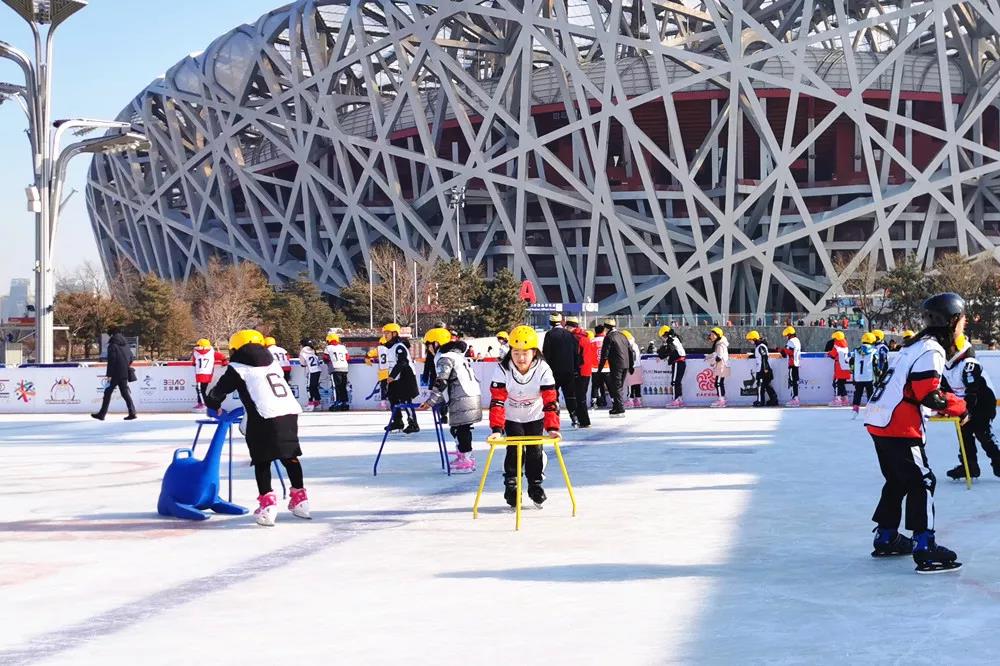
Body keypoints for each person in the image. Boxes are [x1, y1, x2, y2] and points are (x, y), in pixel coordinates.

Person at [863, 293, 967, 573]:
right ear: (952, 321)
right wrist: (959, 406)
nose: (965, 324)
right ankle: (925, 546)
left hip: (879, 419)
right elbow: (929, 395)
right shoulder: (932, 350)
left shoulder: (914, 346)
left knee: (898, 480)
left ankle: (886, 536)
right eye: (962, 319)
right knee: (923, 480)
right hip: (899, 424)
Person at [204, 329, 309, 527]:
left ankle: (267, 507)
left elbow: (219, 391)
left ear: (235, 349)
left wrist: (212, 404)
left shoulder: (238, 367)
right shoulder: (272, 363)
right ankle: (301, 501)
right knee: (290, 456)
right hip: (289, 411)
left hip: (263, 414)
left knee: (263, 460)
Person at [488, 325, 560, 508]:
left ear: (534, 352)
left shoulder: (543, 369)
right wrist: (497, 429)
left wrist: (552, 428)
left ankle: (535, 485)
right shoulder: (502, 369)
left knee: (535, 451)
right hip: (512, 415)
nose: (520, 358)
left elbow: (550, 401)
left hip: (535, 414)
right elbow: (497, 401)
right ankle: (511, 485)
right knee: (513, 450)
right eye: (516, 353)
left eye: (525, 353)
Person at [420, 327, 482, 473]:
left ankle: (466, 460)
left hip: (463, 397)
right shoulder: (456, 355)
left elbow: (442, 382)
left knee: (460, 429)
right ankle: (464, 455)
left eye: (428, 345)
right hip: (469, 395)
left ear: (436, 343)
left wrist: (430, 401)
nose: (428, 349)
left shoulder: (444, 358)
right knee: (460, 428)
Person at [943, 335, 1000, 480]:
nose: (948, 352)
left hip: (983, 402)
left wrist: (966, 410)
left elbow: (972, 390)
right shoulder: (946, 367)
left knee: (982, 432)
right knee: (964, 434)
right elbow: (945, 389)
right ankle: (969, 466)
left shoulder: (969, 364)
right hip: (965, 404)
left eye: (950, 348)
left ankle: (998, 462)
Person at [542, 313, 582, 426]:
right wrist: (575, 369)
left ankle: (556, 415)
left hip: (553, 371)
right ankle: (574, 417)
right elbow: (576, 353)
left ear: (551, 322)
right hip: (569, 370)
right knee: (570, 395)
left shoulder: (549, 335)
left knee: (553, 395)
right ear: (561, 322)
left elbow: (546, 354)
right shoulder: (569, 335)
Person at [91, 326, 137, 421]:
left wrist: (109, 375)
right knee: (125, 393)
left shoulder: (112, 345)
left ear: (111, 334)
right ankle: (132, 412)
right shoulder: (126, 344)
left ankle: (102, 414)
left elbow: (112, 361)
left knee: (107, 393)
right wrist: (125, 366)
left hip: (115, 373)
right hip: (124, 372)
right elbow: (131, 358)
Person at [384, 323, 419, 434]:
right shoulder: (389, 347)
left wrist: (392, 376)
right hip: (395, 377)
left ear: (394, 334)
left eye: (387, 333)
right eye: (384, 333)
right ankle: (397, 421)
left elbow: (402, 362)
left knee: (406, 400)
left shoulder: (399, 346)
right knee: (392, 398)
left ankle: (413, 423)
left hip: (406, 376)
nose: (385, 335)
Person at [597, 318, 634, 417]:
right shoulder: (622, 335)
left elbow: (604, 354)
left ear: (606, 328)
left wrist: (600, 369)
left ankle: (620, 408)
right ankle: (617, 407)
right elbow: (630, 351)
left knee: (616, 387)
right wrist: (631, 365)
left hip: (616, 364)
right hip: (625, 364)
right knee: (618, 386)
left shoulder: (609, 337)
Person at [566, 316, 593, 428]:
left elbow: (576, 356)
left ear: (570, 327)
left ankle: (584, 421)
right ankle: (582, 419)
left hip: (580, 370)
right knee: (581, 396)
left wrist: (575, 369)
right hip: (587, 370)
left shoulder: (575, 338)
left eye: (567, 327)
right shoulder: (585, 337)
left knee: (579, 397)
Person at [191, 338, 227, 410]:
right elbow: (222, 357)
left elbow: (194, 363)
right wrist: (224, 362)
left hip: (200, 373)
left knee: (200, 390)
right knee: (202, 389)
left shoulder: (195, 353)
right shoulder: (212, 353)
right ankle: (202, 403)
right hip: (208, 373)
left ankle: (203, 404)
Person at [746, 331, 777, 406]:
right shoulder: (759, 346)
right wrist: (752, 356)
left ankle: (760, 401)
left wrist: (765, 369)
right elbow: (759, 356)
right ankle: (773, 400)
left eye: (750, 339)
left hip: (763, 369)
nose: (750, 341)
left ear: (754, 339)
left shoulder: (761, 346)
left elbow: (764, 357)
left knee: (760, 385)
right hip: (763, 368)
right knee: (766, 385)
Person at [657, 325, 686, 407]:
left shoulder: (670, 339)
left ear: (664, 335)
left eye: (662, 337)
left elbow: (670, 349)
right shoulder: (675, 338)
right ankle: (679, 399)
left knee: (674, 382)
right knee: (677, 381)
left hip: (677, 362)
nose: (662, 339)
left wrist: (661, 356)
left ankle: (675, 399)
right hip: (681, 362)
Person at [849, 332, 877, 415]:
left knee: (858, 392)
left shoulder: (856, 350)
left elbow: (850, 360)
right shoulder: (874, 351)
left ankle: (855, 409)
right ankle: (871, 410)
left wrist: (852, 370)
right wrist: (878, 373)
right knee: (870, 393)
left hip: (858, 376)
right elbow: (876, 363)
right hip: (869, 376)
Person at [323, 332, 350, 411]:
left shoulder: (328, 348)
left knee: (336, 386)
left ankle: (337, 402)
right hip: (344, 368)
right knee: (343, 386)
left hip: (335, 368)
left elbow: (325, 358)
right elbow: (347, 357)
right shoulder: (343, 347)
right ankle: (344, 403)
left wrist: (329, 362)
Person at [706, 327, 730, 408]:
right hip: (721, 365)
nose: (711, 336)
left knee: (718, 383)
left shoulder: (720, 344)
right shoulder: (718, 343)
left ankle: (721, 400)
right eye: (711, 335)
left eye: (713, 335)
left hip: (721, 365)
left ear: (718, 335)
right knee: (718, 383)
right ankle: (721, 398)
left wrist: (711, 361)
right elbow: (716, 355)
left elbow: (719, 357)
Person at [827, 331, 852, 406]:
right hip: (845, 366)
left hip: (839, 366)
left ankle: (838, 399)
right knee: (841, 383)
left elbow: (833, 354)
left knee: (837, 383)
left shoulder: (837, 344)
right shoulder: (845, 344)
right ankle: (845, 399)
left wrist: (828, 353)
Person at [299, 338, 322, 410]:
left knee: (310, 387)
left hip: (311, 371)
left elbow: (302, 364)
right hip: (317, 370)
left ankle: (310, 402)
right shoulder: (313, 351)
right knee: (315, 387)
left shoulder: (303, 352)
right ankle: (317, 402)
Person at [781, 326, 802, 407]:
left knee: (792, 382)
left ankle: (795, 399)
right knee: (795, 382)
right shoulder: (797, 340)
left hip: (792, 364)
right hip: (797, 363)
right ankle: (796, 398)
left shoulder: (790, 341)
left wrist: (781, 350)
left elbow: (788, 352)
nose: (786, 337)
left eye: (787, 335)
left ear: (790, 334)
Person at [622, 330, 644, 407]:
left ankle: (630, 400)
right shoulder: (635, 344)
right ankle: (638, 400)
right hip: (638, 366)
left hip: (632, 366)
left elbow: (630, 357)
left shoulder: (629, 346)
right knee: (637, 384)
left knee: (630, 384)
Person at [590, 324, 609, 407]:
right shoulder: (607, 340)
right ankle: (612, 401)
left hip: (595, 368)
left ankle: (594, 402)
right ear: (603, 331)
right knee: (609, 385)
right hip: (606, 367)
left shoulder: (591, 341)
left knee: (595, 386)